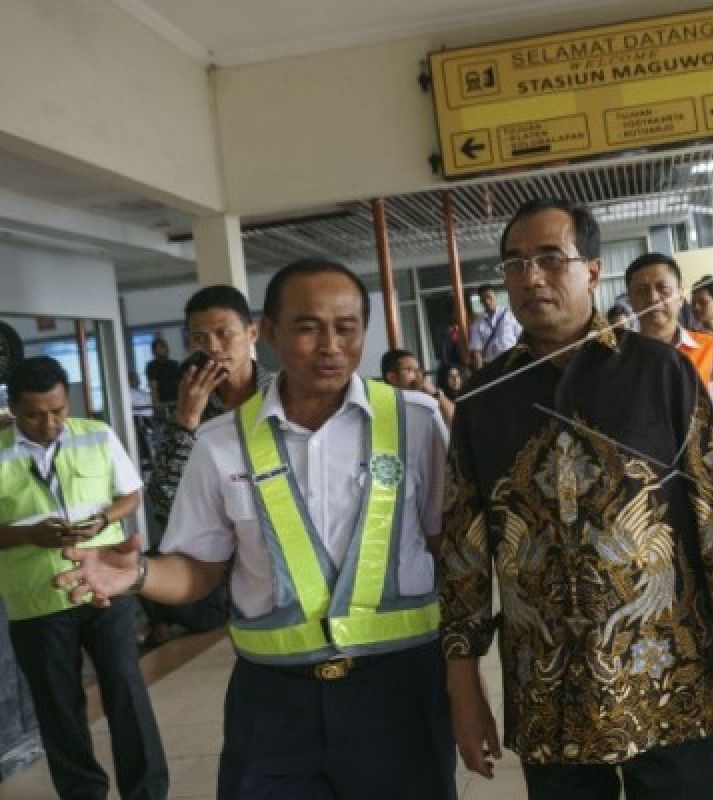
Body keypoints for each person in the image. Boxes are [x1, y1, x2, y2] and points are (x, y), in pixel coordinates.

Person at [58, 259, 457, 799]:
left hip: (402, 690)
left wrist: (465, 675)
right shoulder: (220, 443)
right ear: (268, 332)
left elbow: (448, 549)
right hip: (274, 702)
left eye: (347, 327)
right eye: (307, 326)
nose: (330, 346)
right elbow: (199, 568)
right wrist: (138, 574)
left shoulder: (414, 423)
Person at [439, 198, 713, 800]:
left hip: (669, 680)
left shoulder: (660, 374)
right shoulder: (483, 401)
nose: (531, 277)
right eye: (514, 264)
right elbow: (463, 560)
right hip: (549, 696)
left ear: (592, 270)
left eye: (550, 259)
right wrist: (464, 686)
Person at [625, 251, 713, 782]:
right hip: (660, 524)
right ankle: (703, 721)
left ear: (680, 292)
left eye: (660, 286)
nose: (652, 298)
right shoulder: (620, 365)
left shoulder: (712, 352)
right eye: (640, 290)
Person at [0, 356, 168, 800]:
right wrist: (28, 535)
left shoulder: (95, 434)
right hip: (37, 601)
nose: (49, 422)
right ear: (13, 409)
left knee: (127, 693)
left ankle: (147, 793)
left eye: (57, 410)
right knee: (60, 710)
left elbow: (131, 494)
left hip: (104, 590)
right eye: (35, 414)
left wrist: (103, 519)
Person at [141, 285, 274, 644]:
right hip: (219, 569)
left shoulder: (283, 397)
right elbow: (164, 501)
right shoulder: (189, 409)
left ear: (252, 333)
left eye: (223, 333)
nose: (213, 347)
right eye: (200, 338)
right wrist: (187, 420)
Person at [381, 347, 455, 425]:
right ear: (392, 377)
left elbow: (458, 422)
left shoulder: (428, 400)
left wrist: (436, 394)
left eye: (418, 369)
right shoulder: (425, 404)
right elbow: (457, 423)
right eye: (409, 369)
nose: (418, 374)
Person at [468, 284, 522, 369]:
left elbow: (521, 338)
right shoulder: (477, 324)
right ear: (481, 301)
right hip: (492, 364)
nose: (487, 301)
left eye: (489, 297)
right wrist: (481, 374)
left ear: (495, 297)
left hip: (512, 360)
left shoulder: (510, 314)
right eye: (483, 299)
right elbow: (476, 352)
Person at [144, 337, 180, 409]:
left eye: (166, 346)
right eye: (162, 347)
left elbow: (180, 383)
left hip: (177, 401)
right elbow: (153, 386)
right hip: (162, 403)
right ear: (154, 351)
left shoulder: (175, 364)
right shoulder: (152, 366)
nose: (166, 349)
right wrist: (157, 404)